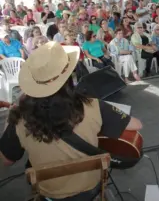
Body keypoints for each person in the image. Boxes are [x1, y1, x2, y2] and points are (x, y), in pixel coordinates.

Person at [0, 42, 142, 200]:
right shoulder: (92, 105)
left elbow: (6, 160)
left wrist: (10, 119)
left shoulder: (19, 118)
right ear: (68, 76)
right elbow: (136, 125)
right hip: (91, 188)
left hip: (50, 194)